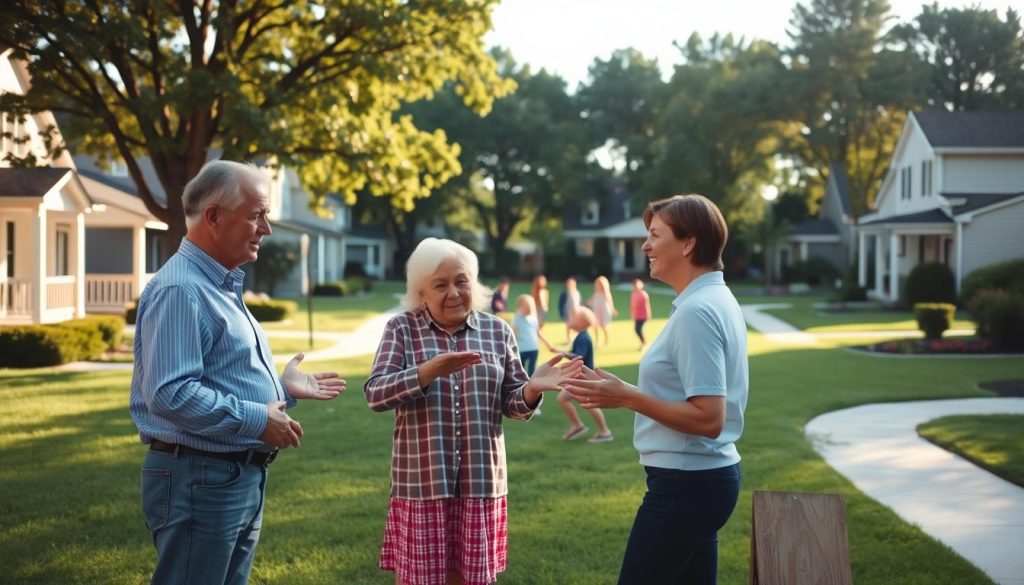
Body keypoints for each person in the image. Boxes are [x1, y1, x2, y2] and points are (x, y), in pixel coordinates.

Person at [130, 160, 346, 585]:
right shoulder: (181, 288)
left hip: (229, 476)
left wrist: (279, 390)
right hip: (201, 478)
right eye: (256, 214)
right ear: (213, 216)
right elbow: (171, 393)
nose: (266, 228)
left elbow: (216, 375)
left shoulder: (218, 283)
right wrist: (258, 419)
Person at [363, 238, 582, 585]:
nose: (453, 292)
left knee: (473, 579)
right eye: (440, 284)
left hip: (480, 484)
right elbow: (375, 393)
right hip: (423, 485)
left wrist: (531, 389)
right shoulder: (402, 329)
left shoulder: (497, 332)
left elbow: (512, 402)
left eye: (461, 280)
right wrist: (427, 371)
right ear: (421, 293)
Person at [565, 194, 749, 585]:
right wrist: (621, 388)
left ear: (688, 243)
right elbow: (692, 398)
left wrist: (626, 397)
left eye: (654, 235)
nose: (645, 246)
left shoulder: (698, 311)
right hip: (701, 480)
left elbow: (709, 418)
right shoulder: (710, 299)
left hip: (687, 485)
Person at [557, 306, 614, 444]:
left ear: (581, 322)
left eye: (573, 318)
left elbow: (578, 356)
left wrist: (564, 354)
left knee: (588, 403)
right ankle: (578, 425)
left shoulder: (582, 337)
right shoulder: (581, 336)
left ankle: (604, 431)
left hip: (583, 378)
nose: (569, 320)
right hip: (580, 377)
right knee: (563, 399)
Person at [512, 294, 557, 376]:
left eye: (530, 307)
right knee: (520, 368)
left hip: (533, 348)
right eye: (526, 307)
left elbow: (538, 333)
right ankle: (522, 383)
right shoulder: (517, 319)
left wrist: (548, 343)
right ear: (520, 307)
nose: (529, 309)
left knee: (532, 369)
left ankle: (531, 383)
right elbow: (514, 334)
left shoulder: (533, 319)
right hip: (522, 349)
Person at [588, 275, 618, 346]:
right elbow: (592, 301)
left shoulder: (606, 294)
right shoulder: (597, 293)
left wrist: (612, 309)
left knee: (604, 326)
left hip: (604, 311)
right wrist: (585, 303)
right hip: (597, 311)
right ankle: (598, 341)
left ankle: (606, 340)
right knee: (595, 326)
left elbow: (609, 301)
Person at [558, 276, 582, 343]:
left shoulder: (577, 293)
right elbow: (561, 304)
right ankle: (569, 339)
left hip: (577, 312)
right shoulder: (565, 293)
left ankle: (577, 338)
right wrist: (562, 313)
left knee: (577, 325)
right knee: (569, 325)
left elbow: (580, 302)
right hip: (568, 312)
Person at [630, 278, 652, 350]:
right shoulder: (633, 294)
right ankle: (644, 343)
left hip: (643, 315)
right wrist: (632, 314)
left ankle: (644, 343)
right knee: (637, 330)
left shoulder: (643, 294)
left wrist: (648, 314)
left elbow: (647, 305)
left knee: (638, 329)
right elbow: (632, 305)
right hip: (637, 315)